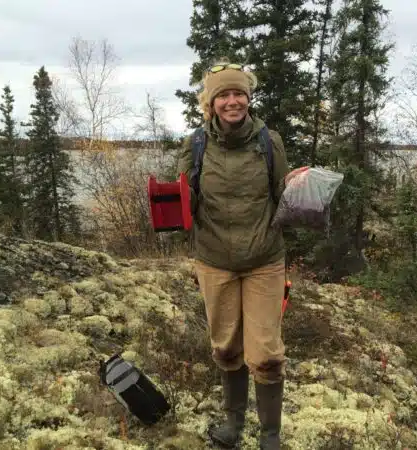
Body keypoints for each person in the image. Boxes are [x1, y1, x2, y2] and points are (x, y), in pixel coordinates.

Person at [177, 61, 307, 449]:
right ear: (210, 103)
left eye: (239, 94)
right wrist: (175, 201)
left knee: (265, 352)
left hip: (264, 260)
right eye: (223, 95)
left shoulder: (270, 141)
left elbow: (283, 197)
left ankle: (270, 435)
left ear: (248, 98)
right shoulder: (195, 145)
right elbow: (189, 201)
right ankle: (233, 425)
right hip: (215, 261)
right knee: (226, 347)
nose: (232, 101)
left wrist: (300, 187)